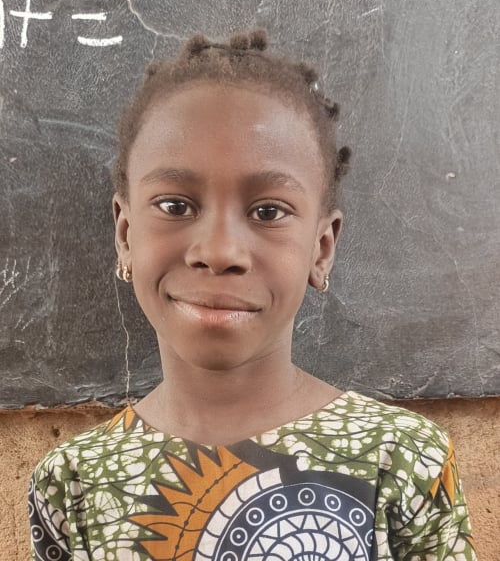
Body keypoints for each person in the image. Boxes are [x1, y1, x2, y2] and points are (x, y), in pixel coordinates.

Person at [29, 30, 477, 561]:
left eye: (268, 211)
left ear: (321, 248)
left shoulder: (403, 461)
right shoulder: (73, 483)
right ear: (126, 235)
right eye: (175, 206)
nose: (219, 251)